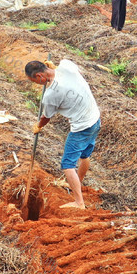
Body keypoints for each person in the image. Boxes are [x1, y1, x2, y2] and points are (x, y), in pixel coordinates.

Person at [26, 59, 101, 209]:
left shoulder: (50, 95)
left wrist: (38, 126)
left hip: (82, 127)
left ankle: (79, 202)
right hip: (95, 119)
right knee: (84, 155)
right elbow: (78, 72)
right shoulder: (66, 65)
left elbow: (46, 117)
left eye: (35, 81)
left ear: (40, 76)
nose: (37, 84)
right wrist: (57, 70)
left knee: (67, 165)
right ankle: (77, 182)